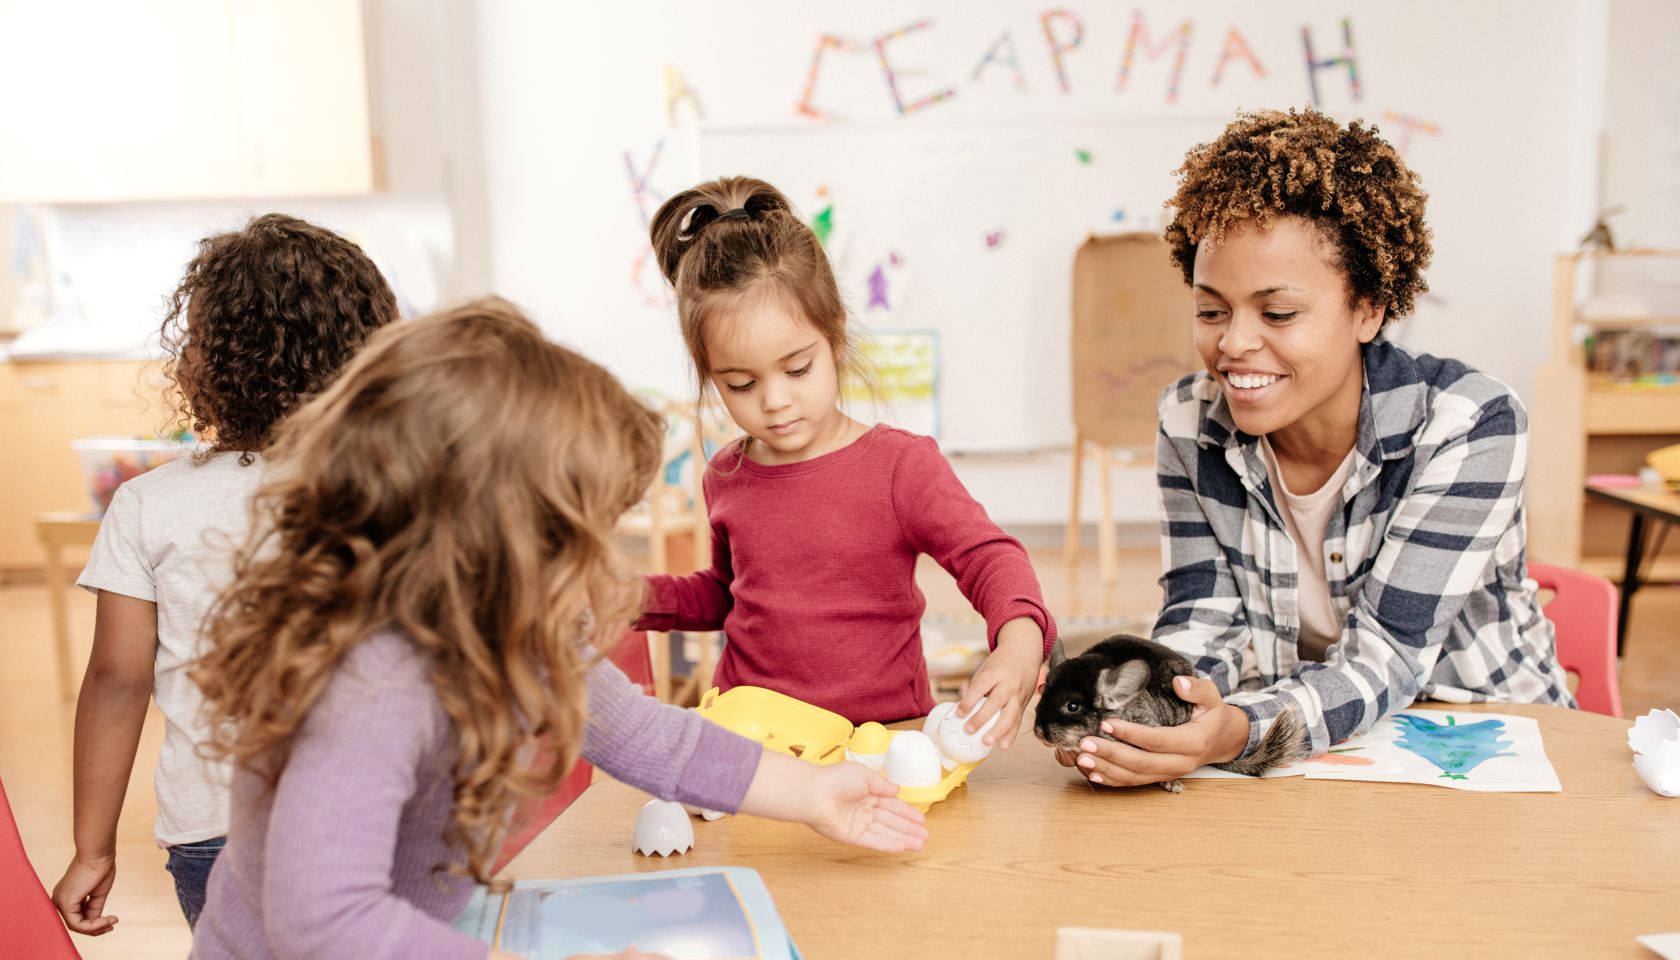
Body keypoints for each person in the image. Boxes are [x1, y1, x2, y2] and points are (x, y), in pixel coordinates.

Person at [187, 299, 927, 960]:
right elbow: (325, 924)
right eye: (582, 534)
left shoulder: (504, 619)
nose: (602, 560)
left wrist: (814, 793)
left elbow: (642, 734)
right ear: (493, 536)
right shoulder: (371, 684)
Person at [1066, 109, 1573, 789]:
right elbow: (1200, 614)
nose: (1234, 343)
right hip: (1312, 750)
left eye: (1277, 314)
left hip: (1484, 746)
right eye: (1212, 309)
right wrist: (1148, 720)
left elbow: (1389, 655)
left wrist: (1239, 731)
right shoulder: (1188, 419)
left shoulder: (1469, 424)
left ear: (1367, 308)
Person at [53, 214, 401, 933]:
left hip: (216, 831)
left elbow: (118, 680)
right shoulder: (398, 489)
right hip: (382, 814)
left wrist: (93, 848)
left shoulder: (148, 505)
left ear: (208, 361)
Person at [640, 176, 1056, 746]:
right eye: (740, 384)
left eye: (796, 369)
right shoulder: (727, 475)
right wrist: (641, 599)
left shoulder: (900, 466)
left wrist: (1018, 643)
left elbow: (988, 557)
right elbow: (727, 591)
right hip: (756, 746)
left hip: (881, 740)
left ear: (834, 336)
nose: (775, 400)